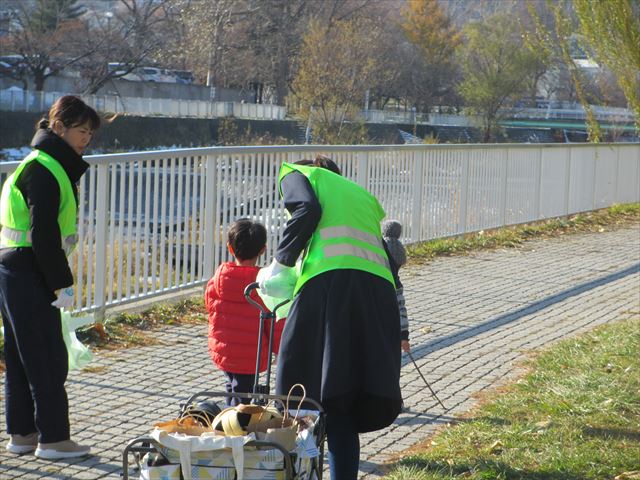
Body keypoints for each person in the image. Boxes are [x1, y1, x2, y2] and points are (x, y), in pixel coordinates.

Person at [259, 155, 402, 480]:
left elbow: (307, 209)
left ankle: (292, 467)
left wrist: (280, 263)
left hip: (332, 284)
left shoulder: (297, 172)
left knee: (298, 386)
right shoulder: (357, 194)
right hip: (377, 292)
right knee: (343, 401)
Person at [0, 95, 100, 459]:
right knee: (46, 358)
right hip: (30, 271)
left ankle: (23, 434)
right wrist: (61, 282)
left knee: (21, 356)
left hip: (14, 269)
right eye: (81, 130)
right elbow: (43, 234)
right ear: (58, 127)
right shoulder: (45, 169)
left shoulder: (39, 163)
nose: (85, 139)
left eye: (90, 132)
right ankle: (54, 439)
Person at [204, 218, 284, 406]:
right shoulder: (263, 286)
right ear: (263, 249)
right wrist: (279, 350)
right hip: (250, 355)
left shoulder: (218, 279)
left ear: (230, 248)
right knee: (243, 397)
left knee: (232, 386)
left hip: (224, 350)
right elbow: (274, 323)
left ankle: (228, 419)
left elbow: (210, 306)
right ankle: (237, 430)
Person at [381, 219, 411, 353]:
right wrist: (404, 336)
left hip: (382, 281)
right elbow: (401, 310)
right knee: (400, 307)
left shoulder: (380, 245)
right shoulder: (399, 247)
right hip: (395, 283)